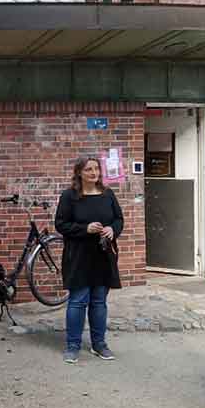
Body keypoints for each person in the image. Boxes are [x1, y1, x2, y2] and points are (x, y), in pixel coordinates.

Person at [54, 156, 124, 364]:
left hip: (103, 255)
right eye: (88, 169)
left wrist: (113, 229)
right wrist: (85, 228)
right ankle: (72, 346)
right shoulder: (69, 196)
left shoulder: (107, 194)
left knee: (99, 301)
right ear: (79, 173)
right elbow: (61, 224)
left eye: (96, 169)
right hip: (78, 255)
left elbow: (118, 219)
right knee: (78, 301)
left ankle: (99, 344)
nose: (94, 173)